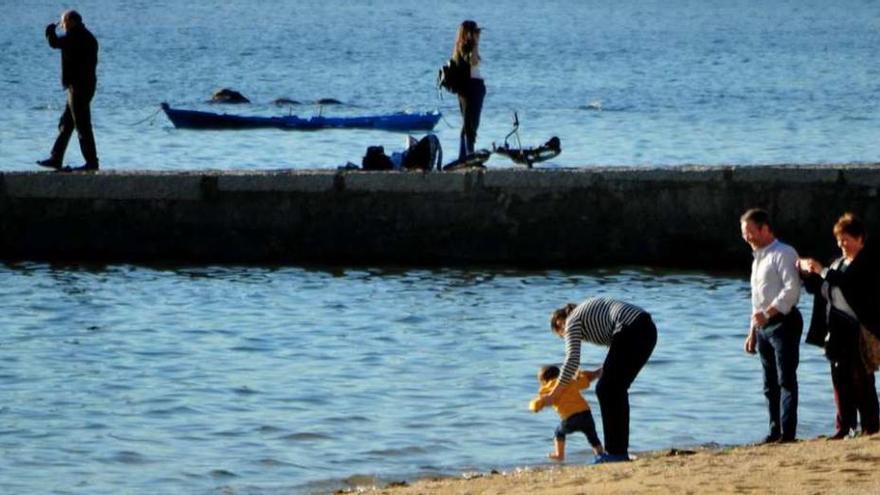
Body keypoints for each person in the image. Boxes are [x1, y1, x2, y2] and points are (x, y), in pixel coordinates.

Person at [535, 297, 657, 463]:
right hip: (647, 330)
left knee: (606, 389)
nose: (564, 337)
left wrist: (554, 394)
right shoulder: (587, 315)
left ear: (559, 321)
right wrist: (602, 370)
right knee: (615, 388)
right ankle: (618, 452)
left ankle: (616, 452)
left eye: (560, 333)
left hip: (631, 327)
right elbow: (616, 349)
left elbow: (572, 360)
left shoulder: (571, 320)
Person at [797, 212, 880, 439]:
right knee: (839, 378)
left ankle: (871, 427)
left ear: (860, 239)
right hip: (836, 329)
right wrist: (808, 273)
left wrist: (822, 271)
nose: (842, 244)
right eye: (839, 239)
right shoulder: (838, 263)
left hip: (858, 329)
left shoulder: (867, 263)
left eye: (846, 239)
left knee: (861, 379)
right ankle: (845, 427)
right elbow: (822, 288)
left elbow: (849, 285)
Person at [740, 208, 803, 443]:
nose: (747, 238)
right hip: (763, 327)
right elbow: (757, 299)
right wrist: (752, 333)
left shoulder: (783, 253)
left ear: (765, 228)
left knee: (786, 379)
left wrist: (768, 314)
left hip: (784, 322)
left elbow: (791, 290)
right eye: (744, 234)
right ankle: (774, 430)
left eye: (750, 232)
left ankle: (788, 433)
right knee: (769, 383)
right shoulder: (758, 259)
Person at [37, 10, 100, 172]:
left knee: (82, 126)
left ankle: (91, 162)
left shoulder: (76, 37)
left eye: (63, 22)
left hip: (78, 88)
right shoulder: (86, 36)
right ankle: (56, 158)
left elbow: (55, 43)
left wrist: (50, 32)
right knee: (66, 123)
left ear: (72, 22)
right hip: (83, 87)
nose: (62, 25)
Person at [530, 365, 605, 461]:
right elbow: (584, 383)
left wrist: (534, 407)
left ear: (543, 381)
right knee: (593, 437)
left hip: (570, 417)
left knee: (559, 433)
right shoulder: (569, 382)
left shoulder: (547, 389)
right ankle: (601, 456)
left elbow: (540, 401)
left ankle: (559, 455)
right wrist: (580, 375)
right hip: (586, 414)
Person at [450, 20, 486, 162]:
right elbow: (474, 62)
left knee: (468, 124)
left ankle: (463, 155)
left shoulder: (461, 47)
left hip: (469, 89)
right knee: (471, 124)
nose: (477, 34)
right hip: (471, 89)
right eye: (474, 32)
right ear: (468, 33)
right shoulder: (465, 47)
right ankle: (469, 155)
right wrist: (476, 43)